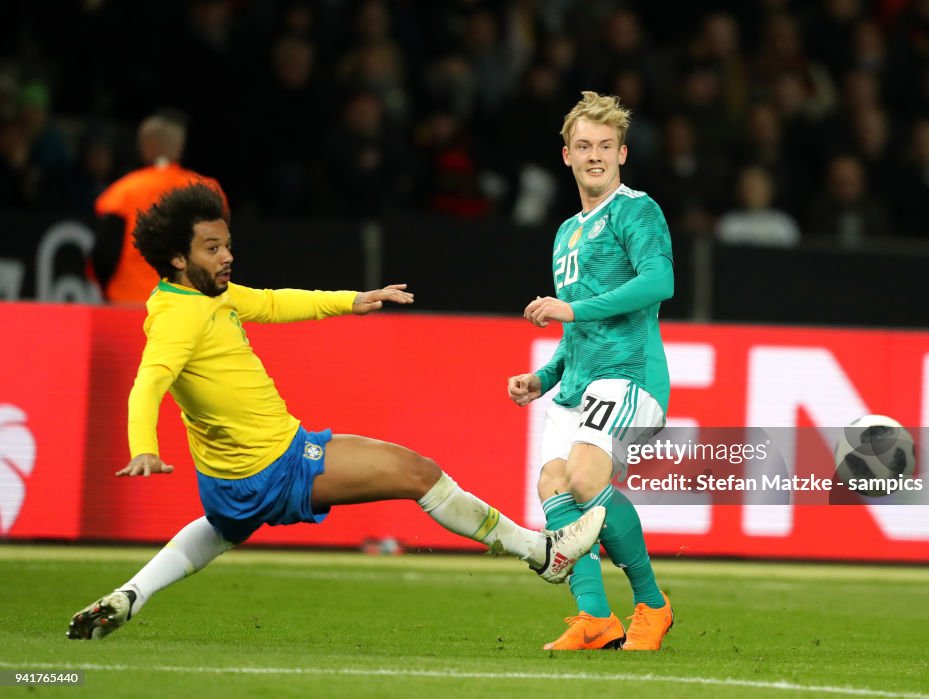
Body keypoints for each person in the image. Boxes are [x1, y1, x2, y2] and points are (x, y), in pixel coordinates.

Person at [67, 182, 604, 641]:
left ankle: (133, 593)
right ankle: (542, 553)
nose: (227, 256)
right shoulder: (176, 318)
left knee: (221, 530)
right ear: (179, 259)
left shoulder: (207, 296)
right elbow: (147, 385)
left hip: (226, 483)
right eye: (212, 248)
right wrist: (143, 446)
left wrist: (351, 299)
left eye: (227, 244)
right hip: (276, 464)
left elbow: (274, 303)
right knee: (420, 473)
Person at [507, 92, 675, 651]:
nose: (595, 155)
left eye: (605, 146)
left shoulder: (637, 210)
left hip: (630, 374)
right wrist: (545, 377)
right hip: (579, 381)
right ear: (566, 156)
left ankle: (652, 604)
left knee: (583, 479)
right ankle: (595, 617)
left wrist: (572, 309)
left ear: (623, 153)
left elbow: (659, 283)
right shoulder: (564, 234)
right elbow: (577, 331)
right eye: (584, 146)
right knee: (553, 486)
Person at [91, 112, 227, 304]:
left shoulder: (121, 193)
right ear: (179, 147)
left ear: (144, 147)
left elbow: (104, 255)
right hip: (192, 306)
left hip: (130, 304)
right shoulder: (209, 191)